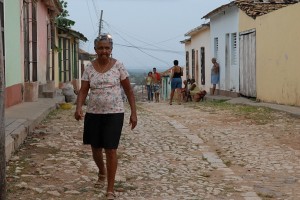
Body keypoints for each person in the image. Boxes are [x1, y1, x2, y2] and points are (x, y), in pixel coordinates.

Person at [74, 34, 137, 200]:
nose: (104, 51)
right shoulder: (89, 68)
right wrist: (79, 107)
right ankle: (101, 171)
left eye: (107, 48)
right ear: (95, 50)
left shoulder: (118, 66)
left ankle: (110, 189)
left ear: (111, 49)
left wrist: (134, 113)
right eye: (100, 48)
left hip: (114, 113)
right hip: (94, 113)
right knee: (95, 148)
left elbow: (129, 90)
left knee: (111, 149)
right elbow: (83, 90)